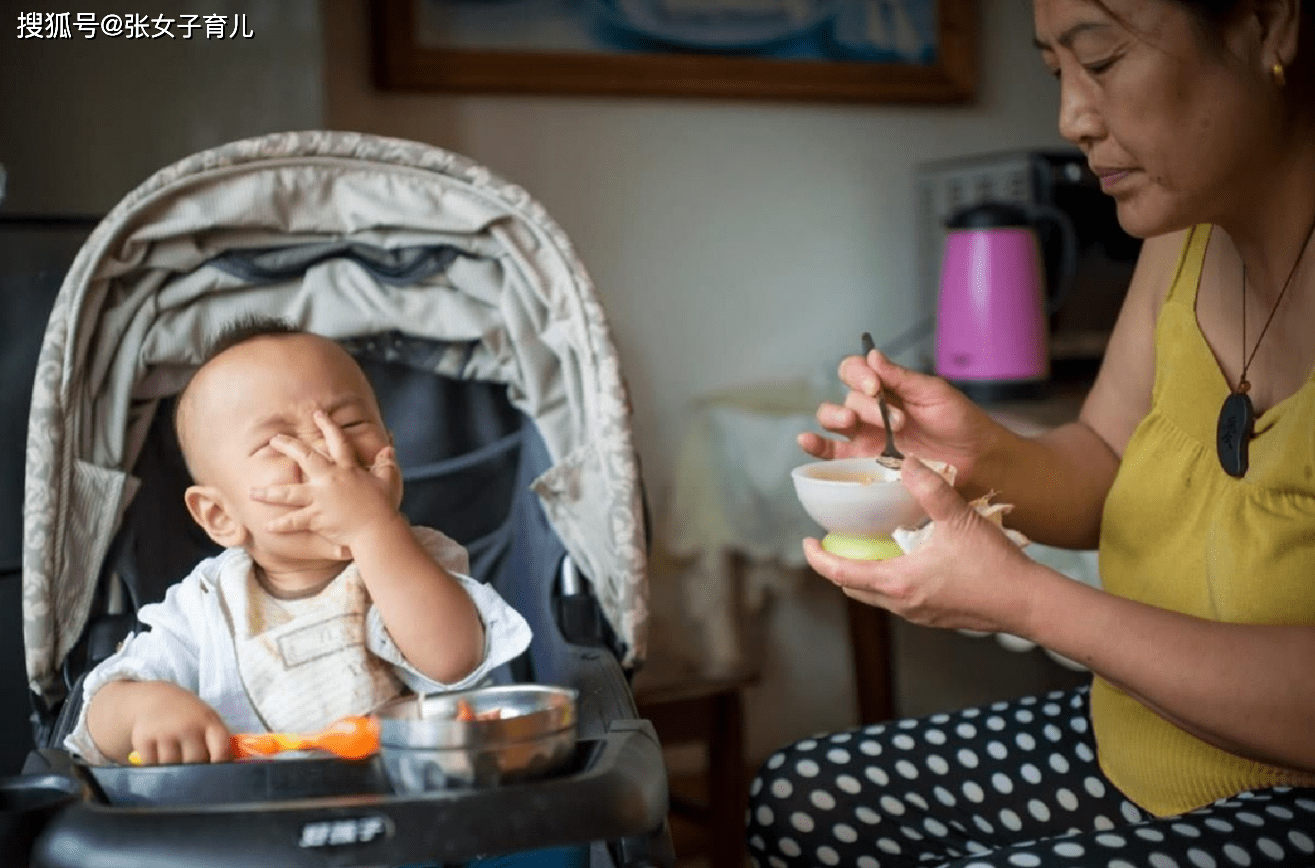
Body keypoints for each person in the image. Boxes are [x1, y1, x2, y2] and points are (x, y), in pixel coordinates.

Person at [747, 0, 1315, 864]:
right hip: (1141, 736)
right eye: (1057, 72)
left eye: (1102, 59)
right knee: (799, 797)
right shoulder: (1182, 238)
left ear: (1270, 24)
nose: (1071, 119)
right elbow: (1103, 464)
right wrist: (971, 459)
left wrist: (1025, 600)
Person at [65, 319, 532, 766]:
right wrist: (147, 711)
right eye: (278, 444)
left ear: (392, 452)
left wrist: (371, 528)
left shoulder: (415, 559)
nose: (329, 450)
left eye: (348, 425)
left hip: (411, 817)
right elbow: (99, 714)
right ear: (220, 515)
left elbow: (453, 659)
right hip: (254, 832)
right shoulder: (206, 608)